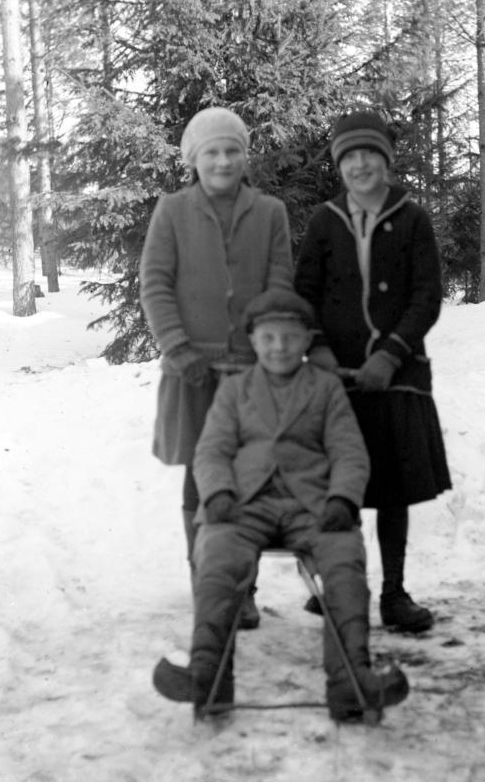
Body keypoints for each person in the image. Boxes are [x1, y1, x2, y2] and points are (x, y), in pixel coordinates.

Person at [152, 288, 409, 721]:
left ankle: (351, 680)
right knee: (216, 562)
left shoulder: (325, 388)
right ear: (253, 340)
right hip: (244, 505)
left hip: (313, 506)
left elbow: (349, 452)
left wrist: (342, 499)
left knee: (344, 563)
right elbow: (211, 451)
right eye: (269, 337)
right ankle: (208, 676)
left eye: (290, 337)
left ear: (307, 340)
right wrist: (218, 493)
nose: (279, 347)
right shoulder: (235, 389)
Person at [294, 110, 452, 633]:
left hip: (398, 374)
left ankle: (394, 593)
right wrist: (317, 350)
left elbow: (427, 296)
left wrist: (390, 354)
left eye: (370, 155)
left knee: (392, 487)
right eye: (350, 157)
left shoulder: (412, 218)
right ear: (339, 165)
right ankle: (343, 585)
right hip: (336, 375)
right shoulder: (324, 221)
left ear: (386, 160)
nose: (360, 165)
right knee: (340, 488)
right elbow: (304, 293)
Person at [139, 107, 293, 629]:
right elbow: (155, 284)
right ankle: (206, 583)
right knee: (199, 478)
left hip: (251, 372)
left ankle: (243, 590)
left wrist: (268, 354)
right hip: (193, 372)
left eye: (232, 151)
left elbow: (279, 285)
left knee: (249, 478)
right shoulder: (172, 211)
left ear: (245, 157)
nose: (223, 161)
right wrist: (178, 348)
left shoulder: (270, 212)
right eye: (212, 152)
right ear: (194, 159)